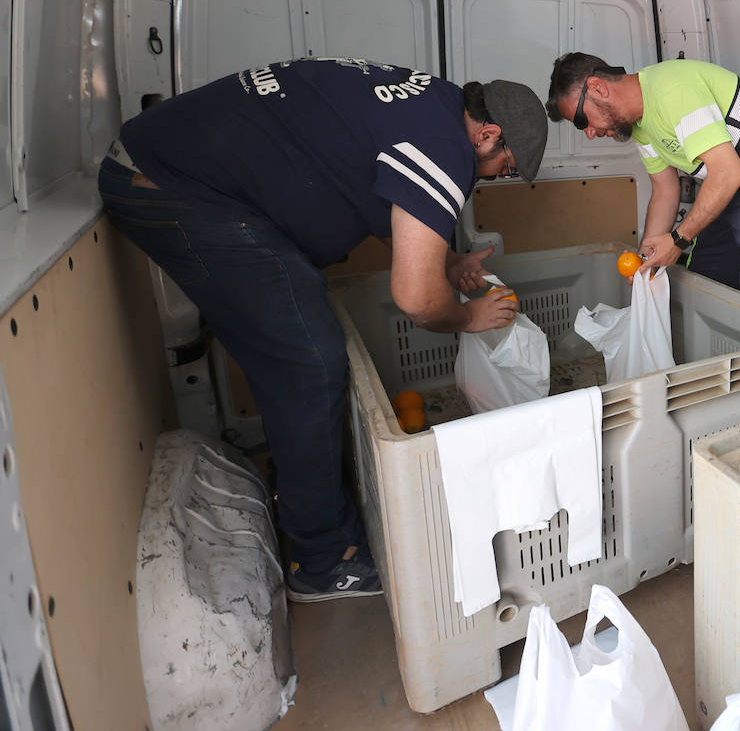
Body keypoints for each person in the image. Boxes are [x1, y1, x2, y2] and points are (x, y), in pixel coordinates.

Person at [98, 57, 549, 602]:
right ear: (489, 134)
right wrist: (467, 317)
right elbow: (416, 301)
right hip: (176, 187)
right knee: (308, 360)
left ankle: (302, 489)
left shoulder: (430, 103)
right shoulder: (446, 145)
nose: (499, 175)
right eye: (506, 164)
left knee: (287, 343)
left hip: (169, 169)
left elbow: (386, 202)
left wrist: (449, 263)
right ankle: (324, 558)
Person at [545, 54, 740, 307]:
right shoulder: (640, 124)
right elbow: (665, 190)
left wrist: (677, 239)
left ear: (597, 88)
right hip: (729, 185)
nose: (589, 133)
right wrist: (646, 259)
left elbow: (729, 172)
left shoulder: (672, 90)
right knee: (706, 270)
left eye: (581, 121)